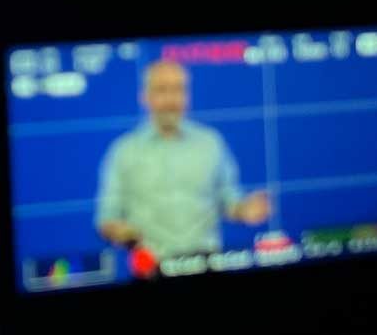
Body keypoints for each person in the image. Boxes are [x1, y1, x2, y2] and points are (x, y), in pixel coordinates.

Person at [94, 59, 271, 260]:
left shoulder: (211, 142)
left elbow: (229, 200)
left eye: (179, 90)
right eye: (162, 90)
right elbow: (107, 217)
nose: (171, 99)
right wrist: (121, 232)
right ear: (145, 97)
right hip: (152, 265)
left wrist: (244, 209)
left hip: (208, 261)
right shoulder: (123, 151)